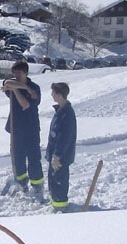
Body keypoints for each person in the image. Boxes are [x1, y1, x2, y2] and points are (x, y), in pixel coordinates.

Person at [1, 60, 43, 194]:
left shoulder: (35, 87)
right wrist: (24, 88)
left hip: (31, 128)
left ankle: (37, 184)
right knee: (17, 157)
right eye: (15, 73)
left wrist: (17, 90)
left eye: (19, 72)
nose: (16, 75)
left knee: (33, 157)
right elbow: (7, 83)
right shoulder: (18, 85)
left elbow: (25, 104)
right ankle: (21, 182)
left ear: (25, 72)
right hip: (16, 127)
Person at [46, 82, 77, 212]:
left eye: (53, 92)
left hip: (60, 156)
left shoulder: (67, 114)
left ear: (59, 95)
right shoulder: (60, 110)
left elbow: (64, 138)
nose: (51, 95)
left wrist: (57, 155)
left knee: (59, 180)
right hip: (54, 154)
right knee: (52, 178)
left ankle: (60, 205)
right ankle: (55, 202)